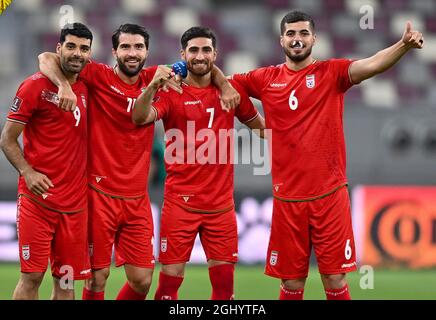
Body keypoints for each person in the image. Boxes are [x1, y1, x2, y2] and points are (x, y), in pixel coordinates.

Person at [38, 24, 241, 300]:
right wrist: (63, 85)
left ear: (147, 51)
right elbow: (46, 58)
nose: (132, 53)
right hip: (99, 194)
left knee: (142, 281)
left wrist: (225, 83)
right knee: (97, 278)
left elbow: (202, 64)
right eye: (125, 47)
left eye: (138, 47)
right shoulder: (97, 75)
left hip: (137, 199)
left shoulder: (155, 76)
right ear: (114, 51)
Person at [231, 11, 424, 300]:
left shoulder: (331, 73)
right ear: (281, 39)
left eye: (303, 33)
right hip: (288, 200)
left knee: (334, 278)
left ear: (314, 39)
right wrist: (256, 124)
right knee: (292, 283)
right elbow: (227, 86)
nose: (297, 39)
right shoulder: (265, 78)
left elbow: (371, 64)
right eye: (291, 34)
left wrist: (403, 46)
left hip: (329, 197)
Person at [133, 26, 265, 300]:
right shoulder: (170, 92)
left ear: (215, 54)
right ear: (183, 54)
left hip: (221, 208)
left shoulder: (231, 91)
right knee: (167, 290)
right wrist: (152, 85)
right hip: (180, 205)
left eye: (206, 50)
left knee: (225, 291)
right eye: (193, 50)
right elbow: (139, 117)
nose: (200, 56)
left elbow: (262, 129)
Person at [0, 22, 93, 300]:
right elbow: (7, 138)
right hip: (37, 201)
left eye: (84, 48)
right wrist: (27, 172)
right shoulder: (34, 86)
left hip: (74, 206)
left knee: (65, 282)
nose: (77, 53)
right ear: (59, 48)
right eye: (71, 46)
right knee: (32, 277)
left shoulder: (90, 83)